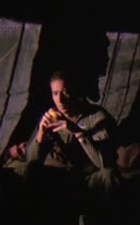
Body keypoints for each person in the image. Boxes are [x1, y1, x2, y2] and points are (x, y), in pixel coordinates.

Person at [19, 70, 123, 212]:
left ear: (76, 92)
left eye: (65, 92)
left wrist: (78, 132)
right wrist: (41, 135)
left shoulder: (96, 117)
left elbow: (104, 163)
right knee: (31, 172)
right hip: (63, 180)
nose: (60, 100)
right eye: (55, 94)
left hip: (88, 180)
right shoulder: (51, 118)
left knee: (109, 175)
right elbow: (31, 162)